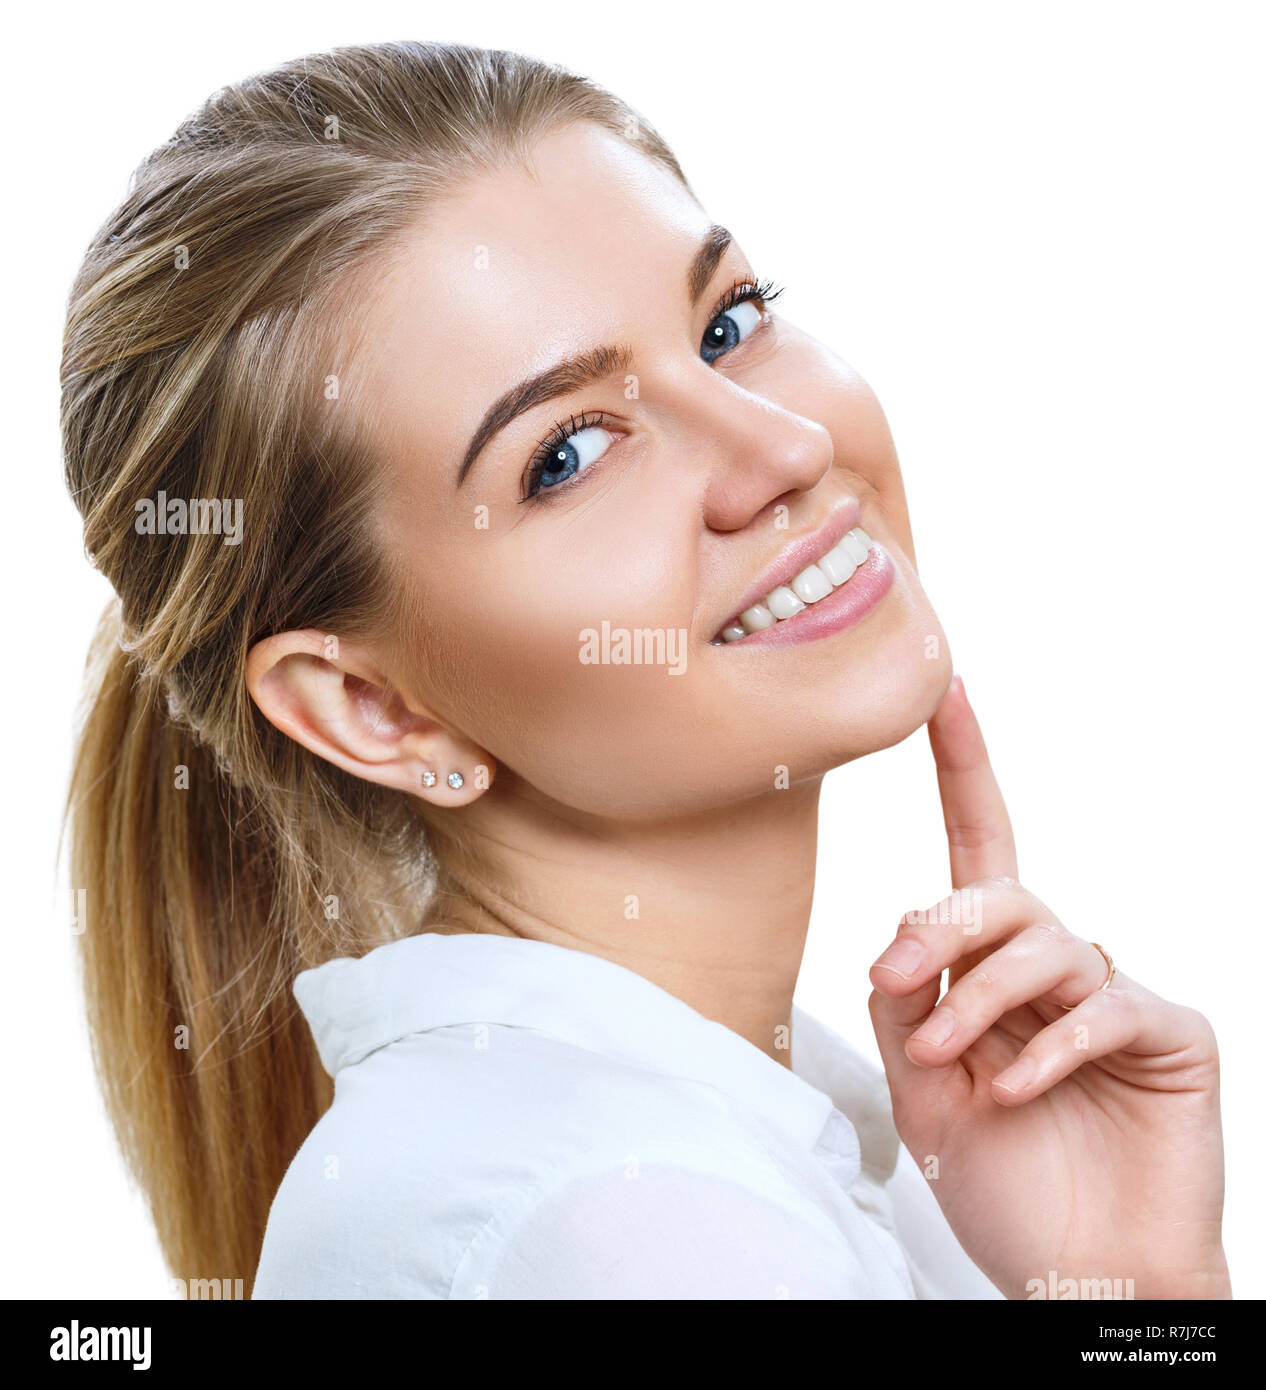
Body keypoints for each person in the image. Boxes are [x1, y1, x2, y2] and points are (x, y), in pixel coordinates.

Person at [61, 40, 1229, 1299]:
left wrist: (1128, 1286)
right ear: (375, 707)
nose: (782, 444)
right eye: (567, 453)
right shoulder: (621, 1216)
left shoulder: (737, 1140)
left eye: (728, 322)